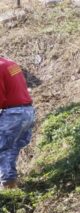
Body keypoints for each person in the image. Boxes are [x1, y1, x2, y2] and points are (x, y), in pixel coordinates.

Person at [0, 57, 35, 190]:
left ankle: (8, 186)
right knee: (11, 149)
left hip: (13, 114)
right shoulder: (11, 63)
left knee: (2, 149)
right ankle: (11, 184)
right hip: (27, 111)